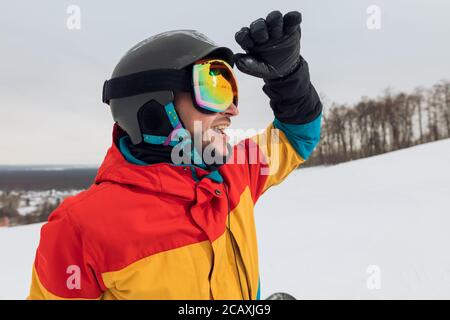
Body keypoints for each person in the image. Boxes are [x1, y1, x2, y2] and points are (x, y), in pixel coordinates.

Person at [28, 10, 322, 300]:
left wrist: (289, 79)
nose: (232, 111)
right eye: (213, 89)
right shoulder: (80, 229)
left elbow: (294, 137)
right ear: (157, 107)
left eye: (230, 92)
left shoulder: (235, 170)